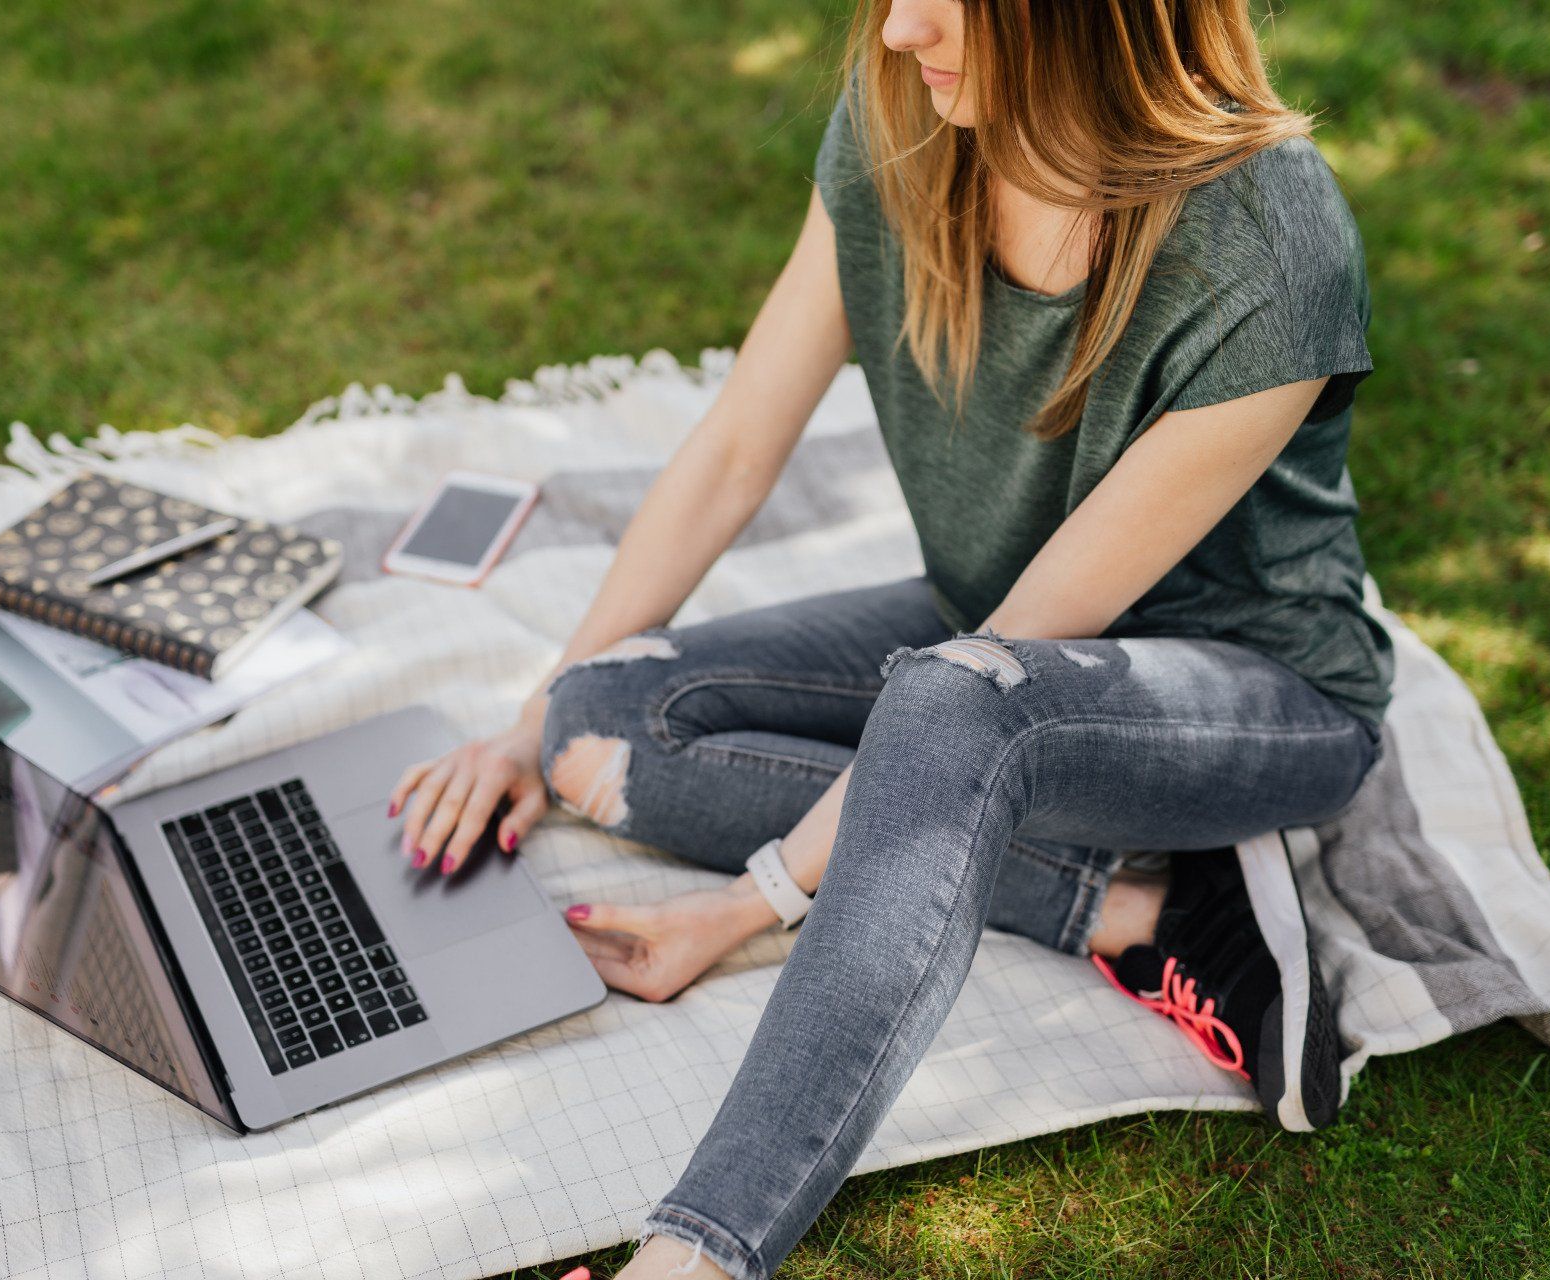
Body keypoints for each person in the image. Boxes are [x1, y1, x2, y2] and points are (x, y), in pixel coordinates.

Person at [389, 1, 1393, 1276]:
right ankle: (1137, 903)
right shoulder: (905, 111)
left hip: (1254, 692)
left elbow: (1008, 660)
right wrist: (529, 721)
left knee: (955, 706)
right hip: (988, 627)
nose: (905, 25)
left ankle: (699, 1250)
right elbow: (739, 446)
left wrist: (744, 907)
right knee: (604, 714)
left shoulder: (1270, 235)